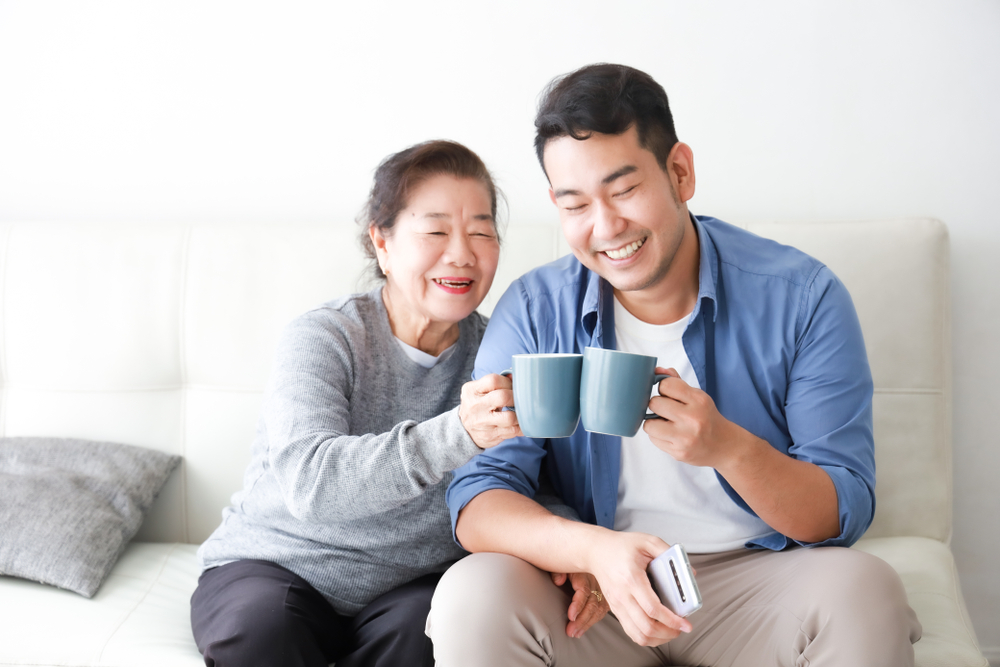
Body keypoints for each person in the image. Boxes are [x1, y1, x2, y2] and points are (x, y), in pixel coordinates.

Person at [427, 64, 922, 666]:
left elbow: (841, 511)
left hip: (758, 581)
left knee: (865, 590)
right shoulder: (534, 308)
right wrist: (592, 551)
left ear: (679, 172)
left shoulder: (801, 296)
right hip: (599, 596)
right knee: (472, 592)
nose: (605, 227)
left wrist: (728, 448)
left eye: (624, 190)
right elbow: (480, 495)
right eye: (575, 203)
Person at [191, 140, 529, 667]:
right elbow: (311, 482)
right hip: (278, 565)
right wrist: (459, 432)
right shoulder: (325, 336)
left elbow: (530, 480)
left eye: (482, 231)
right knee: (261, 630)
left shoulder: (502, 350)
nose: (462, 253)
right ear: (383, 243)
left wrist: (577, 553)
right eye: (436, 231)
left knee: (430, 633)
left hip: (406, 587)